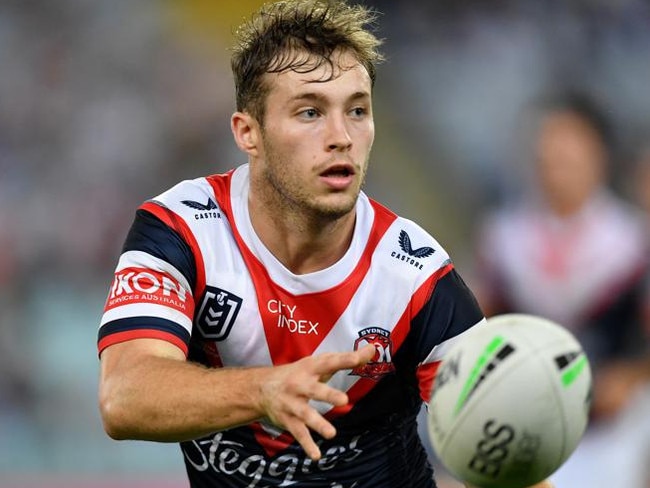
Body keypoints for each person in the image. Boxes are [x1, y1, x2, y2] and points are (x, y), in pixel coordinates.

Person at [97, 1, 553, 487]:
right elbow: (124, 397)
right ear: (248, 132)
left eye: (357, 110)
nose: (341, 137)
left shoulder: (414, 276)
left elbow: (508, 461)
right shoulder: (182, 230)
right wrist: (263, 390)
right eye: (310, 111)